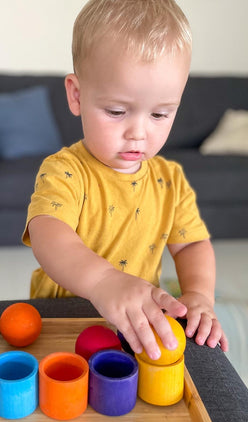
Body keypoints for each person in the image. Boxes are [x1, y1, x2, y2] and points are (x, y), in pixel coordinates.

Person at [22, 0, 228, 361]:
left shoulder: (171, 180)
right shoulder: (65, 170)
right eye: (117, 111)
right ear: (77, 95)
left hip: (132, 327)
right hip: (61, 323)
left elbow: (192, 244)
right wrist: (104, 282)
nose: (138, 133)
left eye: (160, 114)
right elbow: (48, 233)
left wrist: (198, 296)